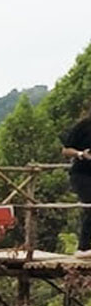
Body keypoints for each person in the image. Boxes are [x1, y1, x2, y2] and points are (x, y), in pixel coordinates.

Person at [61, 110, 91, 258]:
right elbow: (65, 150)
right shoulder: (83, 126)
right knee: (90, 206)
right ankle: (83, 248)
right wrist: (80, 154)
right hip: (82, 174)